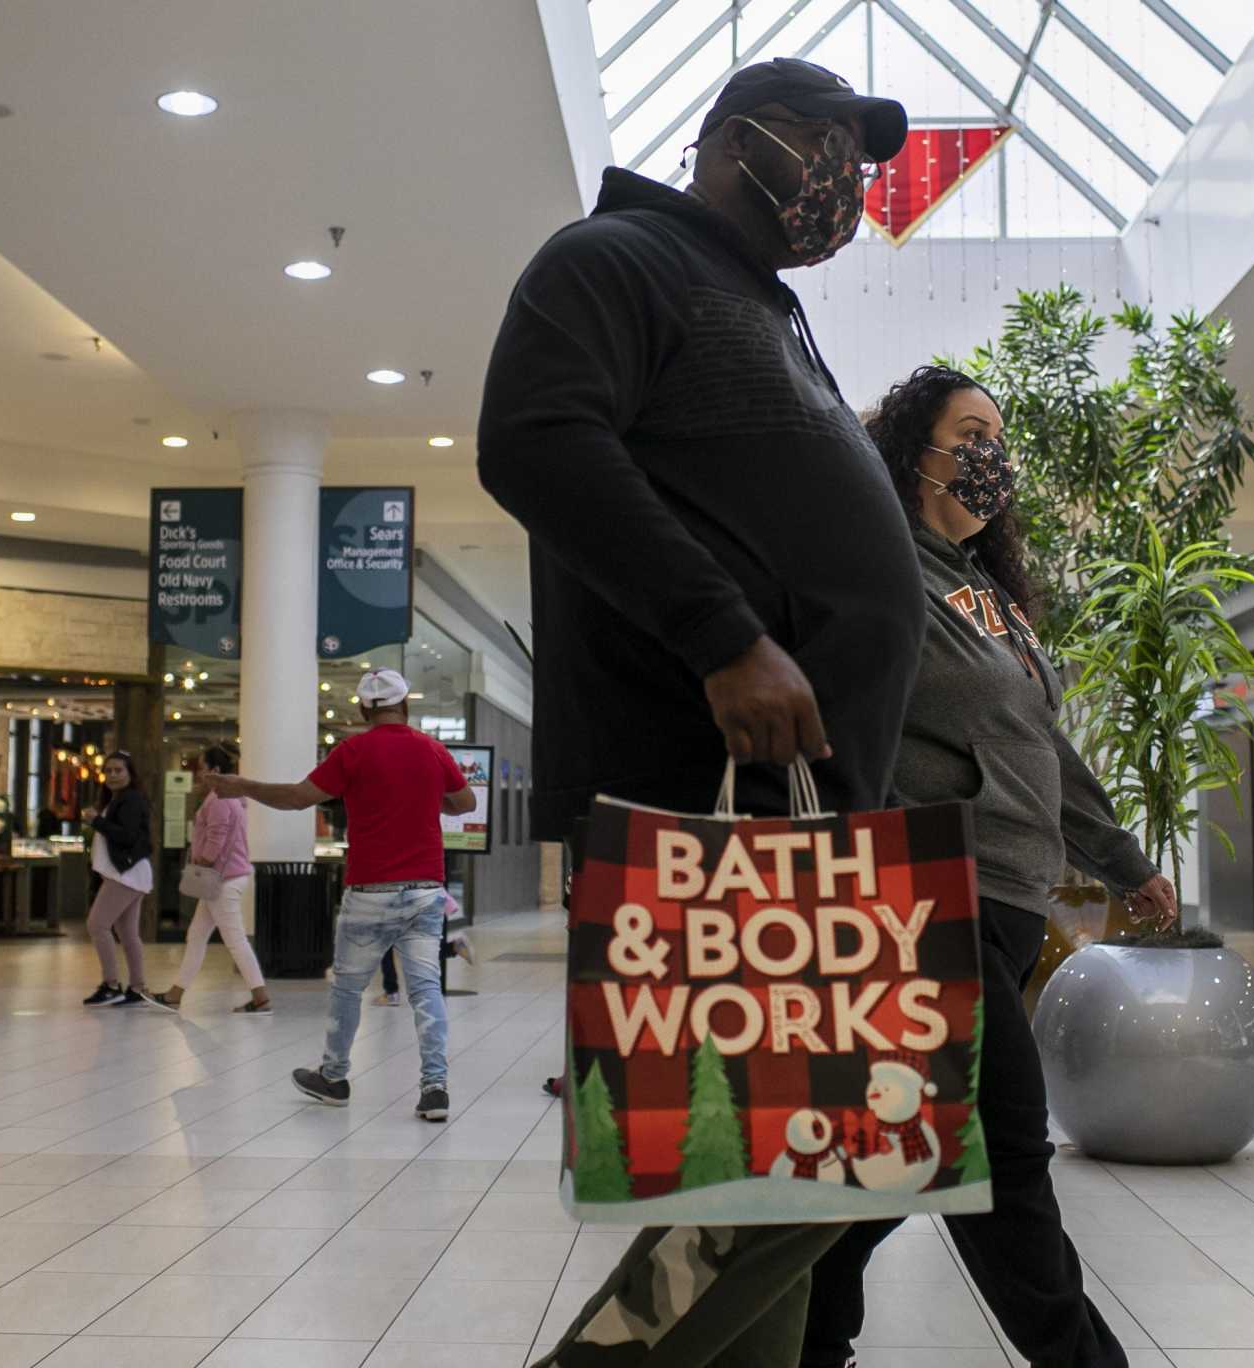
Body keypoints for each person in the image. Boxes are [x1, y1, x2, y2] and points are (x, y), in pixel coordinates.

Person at [479, 57, 920, 1368]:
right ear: (732, 142)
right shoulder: (616, 259)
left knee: (776, 1171)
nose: (848, 171)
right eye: (826, 138)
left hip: (803, 821)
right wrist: (725, 636)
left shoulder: (766, 311)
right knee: (807, 1169)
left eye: (864, 150)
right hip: (710, 805)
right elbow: (536, 437)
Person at [798, 364, 1176, 1368]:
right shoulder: (880, 566)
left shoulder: (983, 594)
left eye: (995, 439)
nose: (989, 457)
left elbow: (1040, 745)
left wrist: (1118, 859)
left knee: (894, 1164)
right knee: (1004, 1153)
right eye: (969, 433)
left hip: (1010, 900)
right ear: (909, 448)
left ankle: (807, 1338)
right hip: (928, 897)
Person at [205, 669, 474, 1120]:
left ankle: (334, 1077)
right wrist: (430, 797)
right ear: (405, 704)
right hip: (426, 890)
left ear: (363, 710)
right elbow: (464, 802)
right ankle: (434, 1088)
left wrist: (242, 785)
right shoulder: (432, 749)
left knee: (348, 988)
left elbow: (296, 798)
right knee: (426, 989)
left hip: (370, 890)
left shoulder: (352, 751)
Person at [153, 747, 270, 1015]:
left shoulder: (219, 798)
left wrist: (200, 863)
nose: (198, 773)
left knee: (235, 940)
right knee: (196, 936)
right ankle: (175, 994)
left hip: (221, 880)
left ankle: (261, 997)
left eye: (202, 767)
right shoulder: (232, 797)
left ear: (215, 770)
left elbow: (217, 836)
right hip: (224, 879)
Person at [82, 751, 154, 1007]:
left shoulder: (131, 800)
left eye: (118, 770)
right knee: (127, 932)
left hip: (126, 874)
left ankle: (111, 984)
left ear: (130, 773)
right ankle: (138, 987)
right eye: (108, 771)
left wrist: (96, 821)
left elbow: (126, 836)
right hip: (127, 873)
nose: (112, 775)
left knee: (97, 924)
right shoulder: (118, 799)